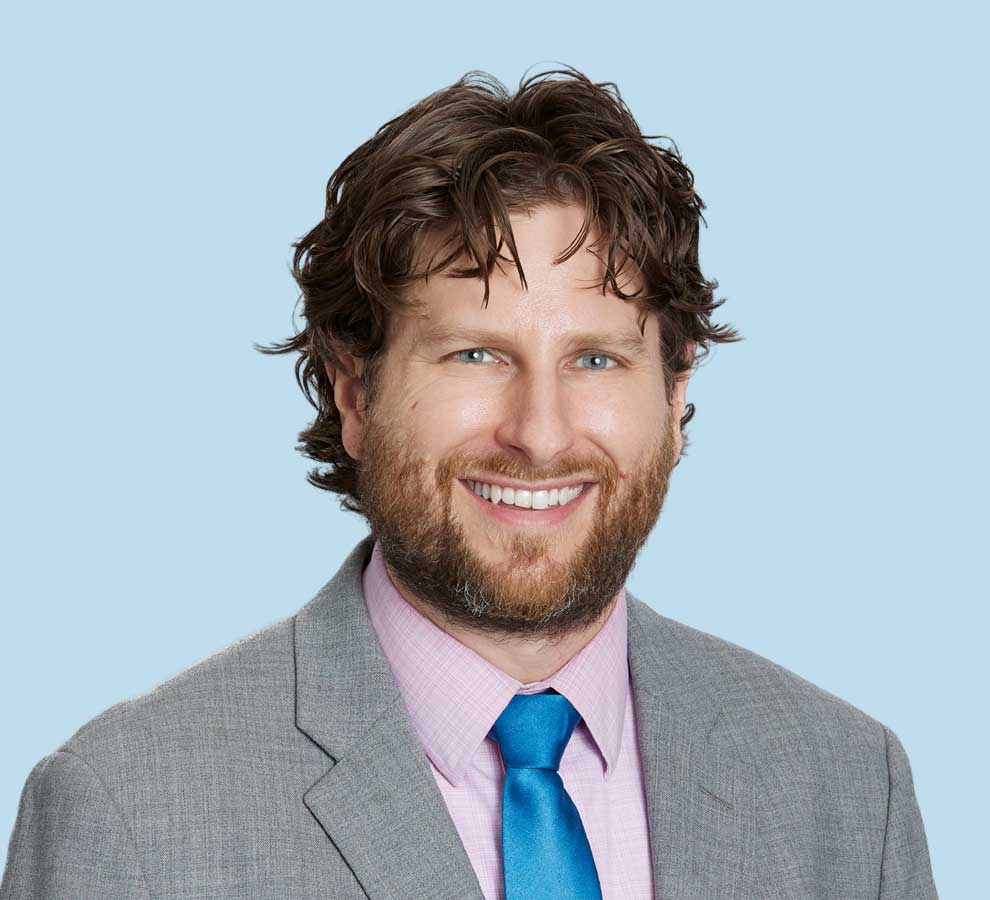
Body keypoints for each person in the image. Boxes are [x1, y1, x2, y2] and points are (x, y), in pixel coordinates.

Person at [0, 67, 938, 900]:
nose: (539, 433)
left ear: (677, 390)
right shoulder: (129, 816)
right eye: (475, 352)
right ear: (355, 389)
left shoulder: (851, 789)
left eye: (597, 360)